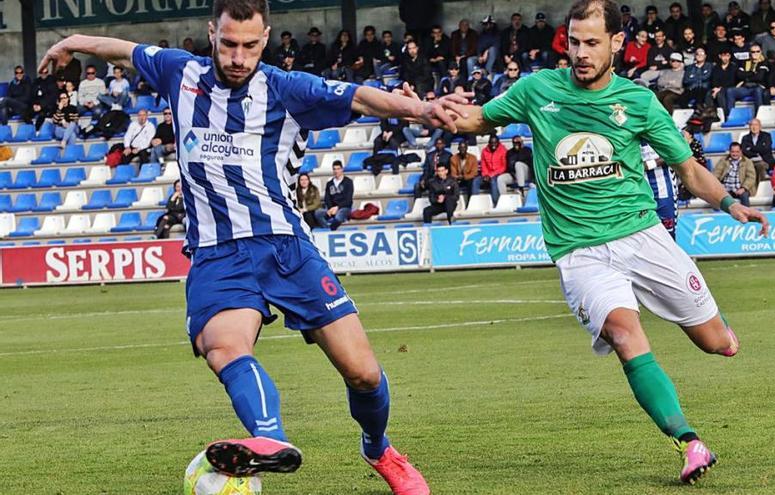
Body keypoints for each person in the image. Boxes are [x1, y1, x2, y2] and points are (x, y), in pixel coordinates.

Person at [39, 0, 465, 491]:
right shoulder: (182, 74)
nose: (238, 57)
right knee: (224, 346)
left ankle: (380, 448)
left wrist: (422, 109)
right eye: (228, 44)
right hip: (217, 254)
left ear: (265, 40)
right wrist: (72, 42)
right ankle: (269, 441)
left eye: (249, 46)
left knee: (363, 374)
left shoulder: (286, 88)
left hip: (285, 246)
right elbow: (126, 51)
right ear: (211, 35)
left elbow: (362, 98)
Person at [428, 0, 768, 485]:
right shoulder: (537, 89)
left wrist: (732, 204)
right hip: (580, 252)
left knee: (719, 345)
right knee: (625, 334)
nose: (581, 53)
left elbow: (688, 169)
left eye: (592, 42)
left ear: (615, 44)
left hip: (642, 236)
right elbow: (479, 120)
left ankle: (714, 323)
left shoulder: (639, 103)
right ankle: (689, 442)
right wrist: (432, 110)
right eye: (574, 42)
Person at [641, 141, 678, 237]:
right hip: (639, 192)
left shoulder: (664, 127)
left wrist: (649, 165)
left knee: (669, 234)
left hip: (664, 189)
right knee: (643, 236)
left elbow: (675, 153)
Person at [725, 43, 769, 117]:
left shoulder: (764, 62)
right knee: (730, 91)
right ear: (749, 53)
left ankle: (759, 116)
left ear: (761, 52)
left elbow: (760, 77)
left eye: (757, 51)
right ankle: (730, 116)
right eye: (753, 52)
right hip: (746, 88)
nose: (755, 53)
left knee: (758, 91)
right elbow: (739, 75)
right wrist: (752, 73)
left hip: (758, 87)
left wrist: (745, 79)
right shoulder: (744, 62)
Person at [713, 142, 757, 206]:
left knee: (744, 196)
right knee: (717, 196)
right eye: (733, 152)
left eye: (737, 152)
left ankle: (746, 213)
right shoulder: (723, 161)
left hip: (741, 189)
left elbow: (751, 177)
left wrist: (744, 188)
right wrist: (719, 186)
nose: (735, 154)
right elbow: (716, 174)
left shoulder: (747, 162)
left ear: (741, 152)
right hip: (726, 188)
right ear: (730, 152)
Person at [315, 161, 354, 230]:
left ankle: (331, 230)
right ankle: (326, 228)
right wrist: (330, 208)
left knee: (339, 216)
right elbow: (327, 198)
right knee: (318, 213)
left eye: (338, 169)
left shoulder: (348, 182)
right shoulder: (329, 183)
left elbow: (348, 200)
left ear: (342, 169)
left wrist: (337, 207)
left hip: (344, 208)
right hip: (332, 208)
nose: (336, 171)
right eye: (334, 169)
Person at [472, 134, 507, 205]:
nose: (493, 144)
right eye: (491, 143)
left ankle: (495, 203)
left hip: (498, 174)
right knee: (476, 181)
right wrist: (485, 175)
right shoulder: (484, 151)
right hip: (486, 174)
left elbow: (504, 167)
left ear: (498, 143)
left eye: (495, 143)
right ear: (489, 143)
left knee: (493, 181)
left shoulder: (503, 150)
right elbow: (483, 165)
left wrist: (491, 175)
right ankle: (474, 202)